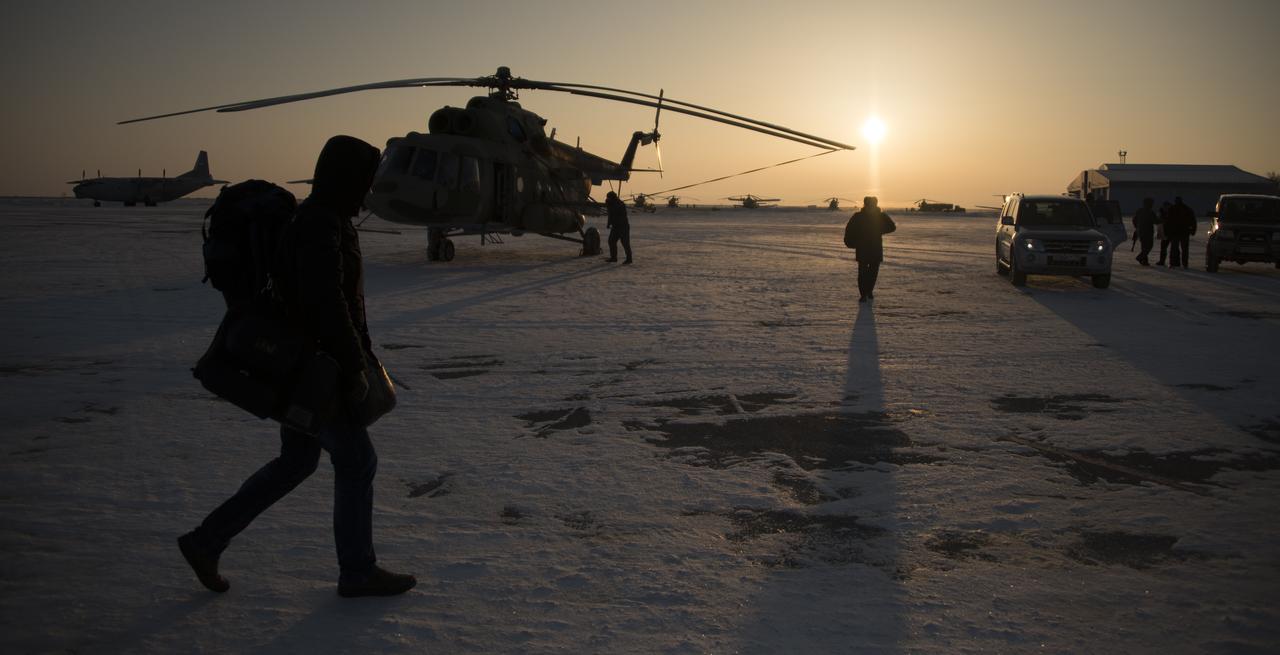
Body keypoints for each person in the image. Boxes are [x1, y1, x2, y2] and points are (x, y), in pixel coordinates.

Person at [178, 135, 416, 598]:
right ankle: (357, 571)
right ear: (347, 178)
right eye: (364, 179)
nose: (368, 189)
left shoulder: (325, 221)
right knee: (358, 460)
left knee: (297, 460)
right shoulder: (318, 226)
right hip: (313, 372)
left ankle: (206, 541)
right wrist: (352, 366)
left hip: (308, 367)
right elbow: (327, 304)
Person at [843, 196, 897, 302]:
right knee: (862, 272)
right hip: (862, 247)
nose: (871, 207)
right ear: (865, 205)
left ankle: (869, 291)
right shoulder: (858, 216)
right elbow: (849, 230)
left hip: (875, 247)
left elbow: (892, 227)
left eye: (872, 205)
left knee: (873, 272)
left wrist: (879, 230)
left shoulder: (881, 216)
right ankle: (863, 294)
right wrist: (849, 241)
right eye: (869, 205)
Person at [1166, 196, 1196, 269]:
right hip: (1183, 232)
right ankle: (1183, 263)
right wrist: (1193, 230)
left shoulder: (1172, 209)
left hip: (1177, 232)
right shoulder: (1186, 209)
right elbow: (1193, 221)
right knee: (1183, 249)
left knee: (1175, 248)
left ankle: (1174, 263)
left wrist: (1167, 231)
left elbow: (1168, 221)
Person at [605, 190, 632, 264]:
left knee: (625, 243)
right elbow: (610, 215)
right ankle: (613, 257)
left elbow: (616, 214)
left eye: (609, 198)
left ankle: (629, 259)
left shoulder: (619, 204)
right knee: (611, 241)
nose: (608, 199)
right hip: (615, 227)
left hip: (623, 226)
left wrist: (609, 205)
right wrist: (609, 224)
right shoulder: (612, 204)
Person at [1132, 197, 1157, 266]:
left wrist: (1137, 227)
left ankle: (1144, 261)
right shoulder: (1150, 212)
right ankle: (1140, 257)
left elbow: (1134, 220)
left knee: (1144, 247)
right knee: (1149, 246)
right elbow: (1156, 221)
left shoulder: (1140, 211)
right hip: (1148, 232)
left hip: (1141, 231)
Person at [1155, 201, 1172, 266]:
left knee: (1168, 248)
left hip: (1170, 232)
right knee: (1163, 248)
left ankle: (1170, 261)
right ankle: (1162, 261)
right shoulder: (1161, 213)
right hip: (1164, 232)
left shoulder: (1170, 213)